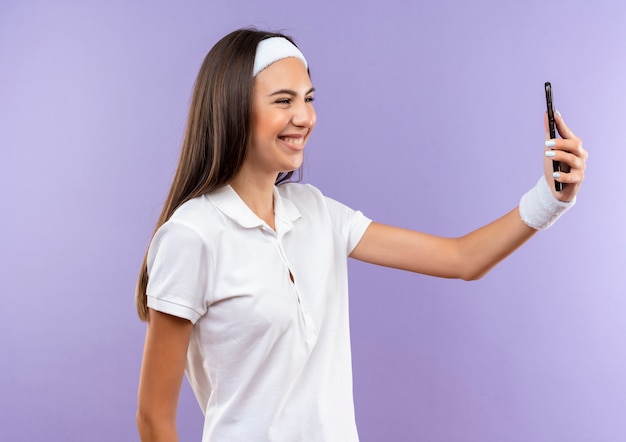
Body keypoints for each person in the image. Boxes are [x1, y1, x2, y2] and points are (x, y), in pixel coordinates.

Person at [135, 28, 587, 441]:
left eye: (309, 99)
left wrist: (550, 197)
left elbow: (461, 259)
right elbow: (155, 418)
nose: (305, 116)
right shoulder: (192, 235)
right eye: (283, 100)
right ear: (234, 107)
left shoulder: (316, 213)